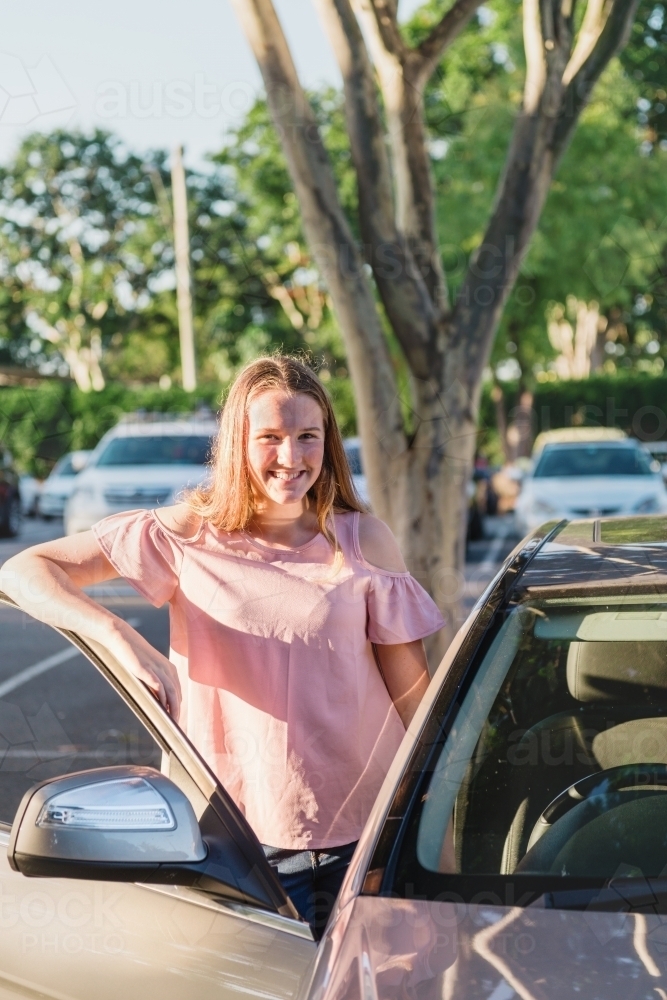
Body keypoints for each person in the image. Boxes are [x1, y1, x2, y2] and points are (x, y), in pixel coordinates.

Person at [3, 355, 444, 936]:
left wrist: (443, 806)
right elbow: (23, 570)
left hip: (367, 840)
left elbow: (410, 690)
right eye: (271, 438)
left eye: (308, 436)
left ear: (328, 441)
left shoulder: (362, 540)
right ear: (239, 440)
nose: (292, 458)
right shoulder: (188, 533)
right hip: (234, 845)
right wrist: (118, 635)